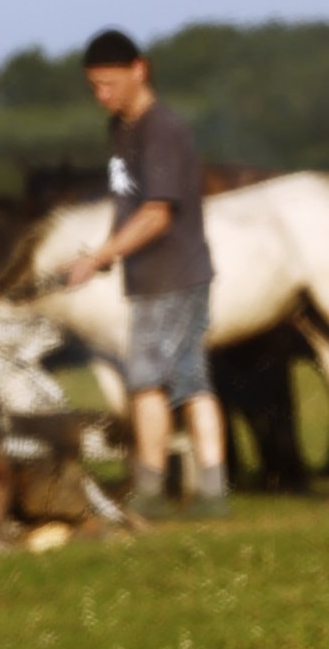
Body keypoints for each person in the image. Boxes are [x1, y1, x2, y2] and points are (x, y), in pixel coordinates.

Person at [64, 28, 227, 520]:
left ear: (140, 69)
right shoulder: (121, 131)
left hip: (174, 275)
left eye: (109, 84)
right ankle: (200, 494)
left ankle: (161, 494)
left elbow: (158, 212)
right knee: (176, 384)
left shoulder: (162, 130)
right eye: (94, 86)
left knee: (156, 385)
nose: (101, 96)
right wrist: (106, 254)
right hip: (150, 276)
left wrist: (99, 256)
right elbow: (127, 201)